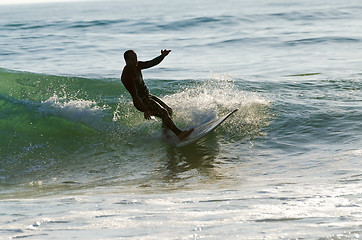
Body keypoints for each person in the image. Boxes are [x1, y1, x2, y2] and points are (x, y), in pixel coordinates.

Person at [121, 49, 194, 140]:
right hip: (141, 101)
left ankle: (166, 135)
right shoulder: (127, 76)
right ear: (126, 61)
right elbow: (135, 96)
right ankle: (179, 134)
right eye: (132, 59)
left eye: (136, 58)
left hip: (147, 97)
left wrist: (162, 56)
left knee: (169, 111)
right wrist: (145, 109)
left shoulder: (137, 66)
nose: (135, 61)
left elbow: (151, 63)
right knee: (163, 113)